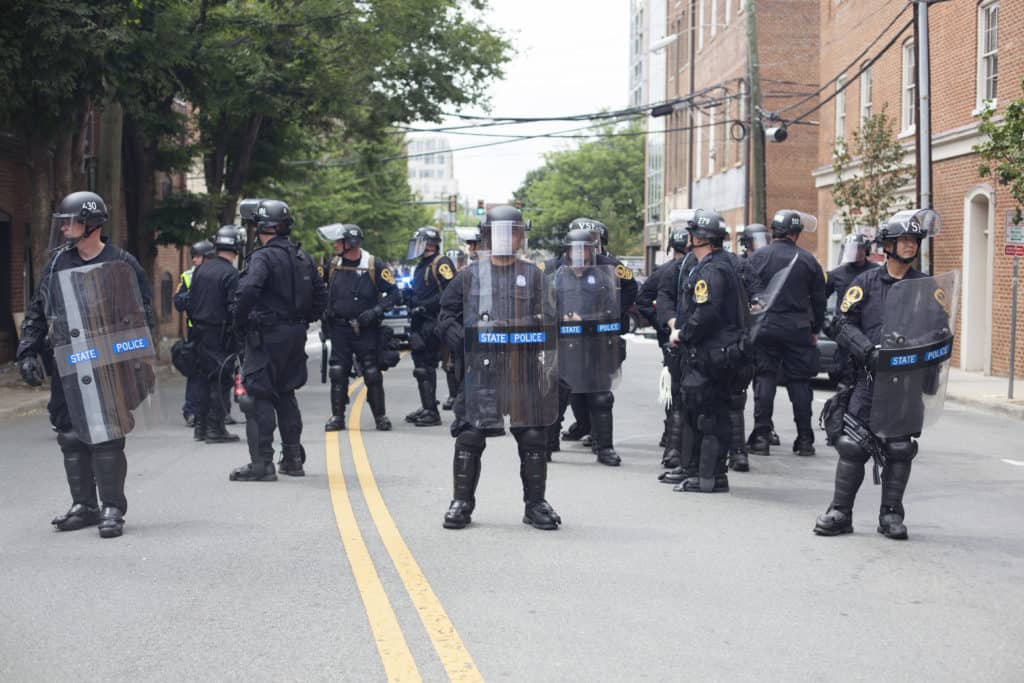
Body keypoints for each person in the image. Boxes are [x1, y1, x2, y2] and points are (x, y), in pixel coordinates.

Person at [16, 191, 155, 538]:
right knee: (69, 433)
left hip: (107, 364)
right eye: (62, 224)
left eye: (71, 223)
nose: (64, 230)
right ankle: (85, 505)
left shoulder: (122, 264)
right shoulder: (57, 263)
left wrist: (128, 359)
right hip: (68, 362)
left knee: (107, 434)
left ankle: (111, 507)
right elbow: (37, 310)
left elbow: (142, 317)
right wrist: (28, 351)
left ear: (91, 224)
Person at [814, 209, 953, 540]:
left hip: (907, 383)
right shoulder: (865, 283)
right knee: (852, 447)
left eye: (914, 240)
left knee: (900, 449)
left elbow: (940, 331)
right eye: (903, 239)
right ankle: (840, 511)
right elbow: (841, 323)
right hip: (869, 380)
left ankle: (891, 514)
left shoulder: (926, 287)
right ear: (887, 245)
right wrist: (868, 351)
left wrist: (917, 346)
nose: (909, 245)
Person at [437, 205, 561, 530]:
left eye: (513, 232)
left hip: (523, 370)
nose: (508, 238)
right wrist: (464, 341)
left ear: (521, 236)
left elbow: (552, 320)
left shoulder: (535, 275)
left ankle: (535, 505)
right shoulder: (469, 275)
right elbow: (445, 316)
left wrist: (535, 333)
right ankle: (461, 502)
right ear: (488, 237)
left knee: (534, 436)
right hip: (483, 371)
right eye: (500, 233)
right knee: (469, 436)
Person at [230, 199, 327, 481]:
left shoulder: (262, 257)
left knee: (258, 396)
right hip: (295, 335)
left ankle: (262, 464)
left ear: (262, 228)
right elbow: (322, 296)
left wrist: (239, 320)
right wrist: (302, 320)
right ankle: (293, 458)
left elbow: (248, 290)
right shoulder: (303, 257)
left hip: (266, 335)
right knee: (285, 394)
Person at [667, 209, 750, 492]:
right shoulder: (712, 264)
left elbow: (706, 313)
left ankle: (710, 478)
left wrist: (683, 333)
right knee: (699, 411)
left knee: (710, 416)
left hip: (714, 355)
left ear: (699, 238)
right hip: (712, 353)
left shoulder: (712, 270)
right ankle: (697, 471)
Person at [746, 209, 827, 457]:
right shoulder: (808, 261)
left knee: (765, 378)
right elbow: (819, 300)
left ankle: (761, 437)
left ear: (774, 231)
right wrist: (815, 329)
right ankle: (805, 439)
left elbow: (746, 292)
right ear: (796, 233)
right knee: (799, 382)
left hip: (765, 327)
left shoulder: (758, 257)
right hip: (798, 328)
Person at [548, 227, 626, 466]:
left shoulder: (603, 277)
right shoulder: (556, 277)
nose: (580, 255)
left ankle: (605, 448)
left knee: (601, 397)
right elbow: (546, 308)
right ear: (568, 252)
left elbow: (612, 310)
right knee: (555, 396)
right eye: (575, 250)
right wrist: (562, 317)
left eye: (585, 250)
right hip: (564, 345)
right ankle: (547, 444)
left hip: (594, 345)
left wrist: (591, 318)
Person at [558, 218, 638, 447]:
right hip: (568, 340)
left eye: (590, 242)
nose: (583, 248)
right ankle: (578, 428)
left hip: (600, 338)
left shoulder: (609, 265)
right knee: (568, 390)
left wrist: (613, 312)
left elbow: (631, 287)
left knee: (600, 393)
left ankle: (603, 444)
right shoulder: (558, 266)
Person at [318, 223, 399, 432]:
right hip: (339, 329)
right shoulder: (333, 264)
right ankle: (337, 417)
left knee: (372, 373)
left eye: (339, 241)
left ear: (350, 243)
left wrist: (376, 312)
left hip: (366, 330)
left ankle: (380, 416)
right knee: (337, 371)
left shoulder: (373, 264)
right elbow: (317, 289)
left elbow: (394, 293)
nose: (335, 245)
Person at [187, 225, 242, 444]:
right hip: (219, 334)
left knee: (201, 379)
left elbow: (191, 301)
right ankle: (215, 428)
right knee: (220, 380)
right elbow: (233, 308)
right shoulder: (231, 274)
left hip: (198, 331)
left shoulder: (202, 270)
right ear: (236, 248)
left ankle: (200, 427)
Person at [638, 227, 689, 455]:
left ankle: (671, 435)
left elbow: (642, 300)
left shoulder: (663, 271)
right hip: (687, 336)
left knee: (672, 385)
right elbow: (644, 300)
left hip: (670, 338)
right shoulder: (689, 269)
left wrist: (661, 324)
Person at [403, 226, 456, 427]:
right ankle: (427, 406)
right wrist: (409, 298)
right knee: (420, 367)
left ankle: (432, 413)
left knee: (426, 366)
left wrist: (425, 306)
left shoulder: (440, 263)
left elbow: (451, 290)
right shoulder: (422, 265)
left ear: (430, 244)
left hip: (433, 321)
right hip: (420, 322)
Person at [825, 233, 879, 386]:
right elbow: (819, 298)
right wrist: (827, 323)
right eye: (851, 249)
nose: (855, 252)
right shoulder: (837, 274)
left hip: (869, 333)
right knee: (844, 380)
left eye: (859, 249)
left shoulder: (876, 273)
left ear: (866, 250)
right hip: (846, 333)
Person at [175, 240, 215, 427]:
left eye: (198, 257)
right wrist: (192, 295)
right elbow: (178, 301)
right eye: (193, 256)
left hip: (216, 330)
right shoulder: (188, 276)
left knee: (217, 372)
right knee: (195, 372)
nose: (194, 260)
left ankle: (218, 411)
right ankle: (191, 411)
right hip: (195, 332)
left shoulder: (218, 273)